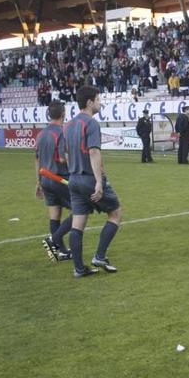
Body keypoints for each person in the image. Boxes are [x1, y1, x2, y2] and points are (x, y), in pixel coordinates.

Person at [64, 86, 122, 278]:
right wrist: (98, 181)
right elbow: (94, 151)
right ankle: (99, 256)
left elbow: (65, 153)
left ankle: (79, 268)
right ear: (89, 102)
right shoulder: (91, 123)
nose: (100, 103)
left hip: (73, 178)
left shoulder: (69, 124)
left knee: (77, 223)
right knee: (115, 213)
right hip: (89, 178)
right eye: (98, 99)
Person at [36, 101, 73, 263]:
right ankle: (53, 239)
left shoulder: (41, 134)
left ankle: (62, 251)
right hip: (60, 178)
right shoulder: (61, 133)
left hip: (45, 179)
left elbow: (36, 159)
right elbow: (63, 158)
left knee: (55, 215)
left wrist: (38, 182)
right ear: (63, 114)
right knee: (80, 209)